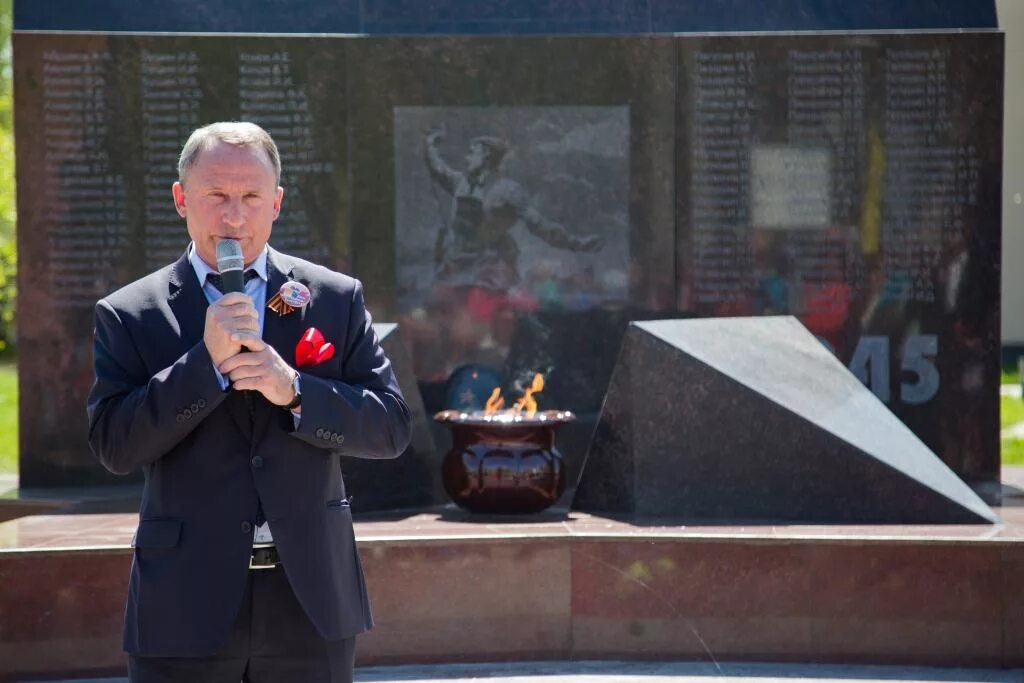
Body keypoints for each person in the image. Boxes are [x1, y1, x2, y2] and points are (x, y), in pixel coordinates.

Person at [87, 121, 412, 683]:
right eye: (216, 195)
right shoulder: (130, 313)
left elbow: (391, 427)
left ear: (277, 203)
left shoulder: (334, 298)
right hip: (184, 600)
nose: (234, 217)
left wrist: (296, 390)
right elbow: (116, 445)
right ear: (181, 199)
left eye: (251, 197)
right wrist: (203, 365)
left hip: (311, 599)